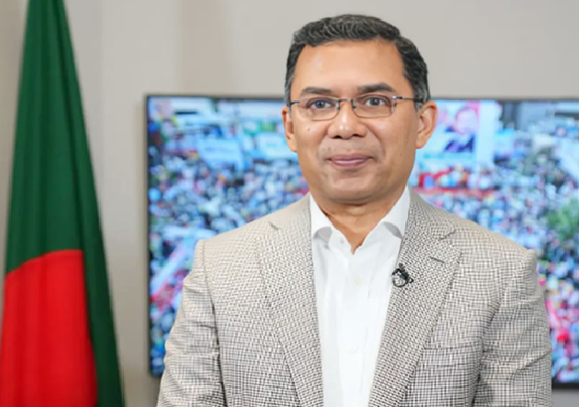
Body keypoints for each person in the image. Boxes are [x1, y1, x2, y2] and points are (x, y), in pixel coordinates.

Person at [157, 14, 551, 407]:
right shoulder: (220, 268)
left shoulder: (501, 273)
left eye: (375, 101)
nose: (345, 126)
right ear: (290, 127)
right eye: (320, 104)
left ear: (423, 123)